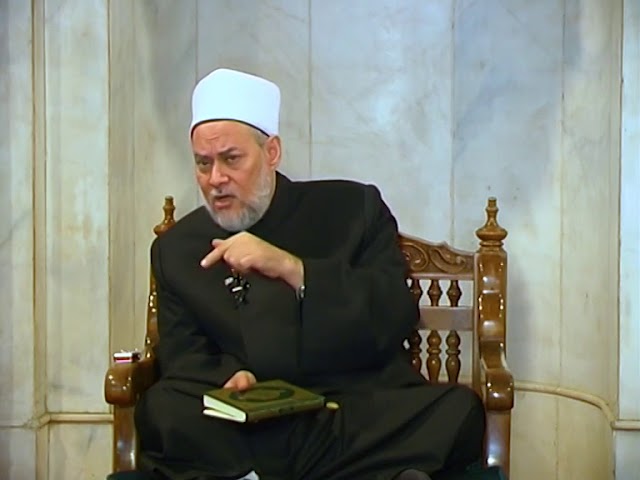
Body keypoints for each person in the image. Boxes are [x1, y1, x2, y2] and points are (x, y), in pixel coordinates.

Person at [134, 68, 485, 480]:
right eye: (203, 163)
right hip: (251, 418)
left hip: (349, 406)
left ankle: (257, 473)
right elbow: (183, 358)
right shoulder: (176, 249)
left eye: (231, 159)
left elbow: (392, 315)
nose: (216, 180)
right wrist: (229, 379)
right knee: (161, 410)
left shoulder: (352, 210)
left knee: (457, 412)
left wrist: (294, 270)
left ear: (272, 152)